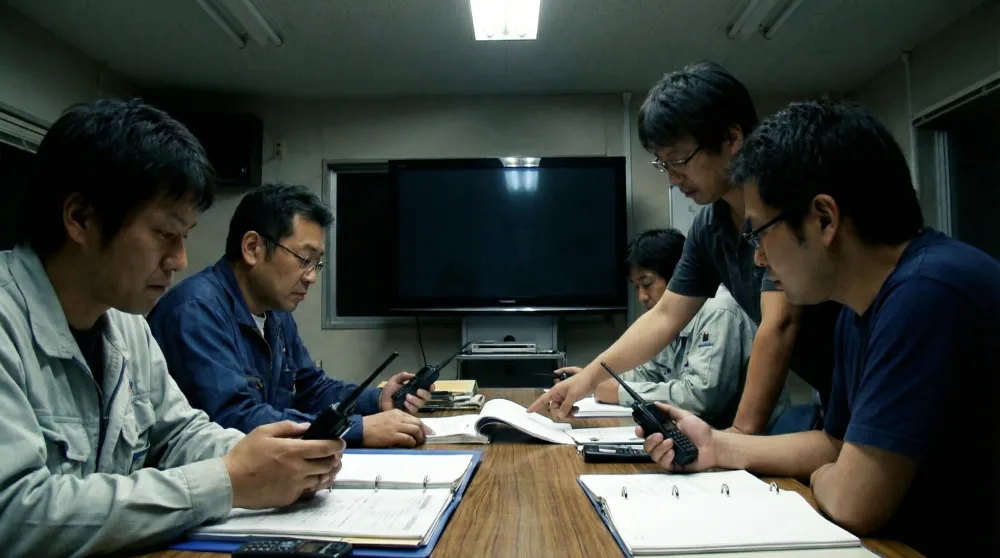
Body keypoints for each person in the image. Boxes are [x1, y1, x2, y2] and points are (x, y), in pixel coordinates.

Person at [639, 98, 1000, 556]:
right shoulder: (858, 308)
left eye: (760, 233)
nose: (758, 258)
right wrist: (718, 446)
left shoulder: (927, 292)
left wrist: (833, 473)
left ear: (824, 219)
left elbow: (854, 500)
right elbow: (835, 442)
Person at [0, 98, 345, 557]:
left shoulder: (125, 325)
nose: (180, 260)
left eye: (185, 236)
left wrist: (276, 457)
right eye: (165, 234)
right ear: (81, 218)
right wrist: (226, 482)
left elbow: (180, 433)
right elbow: (16, 514)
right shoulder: (9, 320)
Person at [530, 61, 842, 434]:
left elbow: (779, 323)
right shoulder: (710, 226)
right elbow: (664, 317)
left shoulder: (783, 204)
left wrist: (737, 440)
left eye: (679, 161)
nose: (674, 178)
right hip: (836, 392)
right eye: (663, 165)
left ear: (732, 138)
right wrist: (585, 382)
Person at [147, 183, 434, 448]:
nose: (311, 277)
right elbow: (235, 419)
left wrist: (377, 399)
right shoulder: (195, 311)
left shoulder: (274, 311)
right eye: (303, 259)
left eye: (316, 264)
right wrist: (356, 429)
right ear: (251, 248)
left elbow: (312, 388)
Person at [554, 228, 789, 430]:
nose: (642, 297)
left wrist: (618, 393)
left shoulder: (718, 310)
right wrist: (593, 379)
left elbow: (701, 398)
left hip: (751, 442)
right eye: (636, 287)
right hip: (707, 434)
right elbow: (648, 372)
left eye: (647, 284)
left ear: (678, 276)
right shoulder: (671, 320)